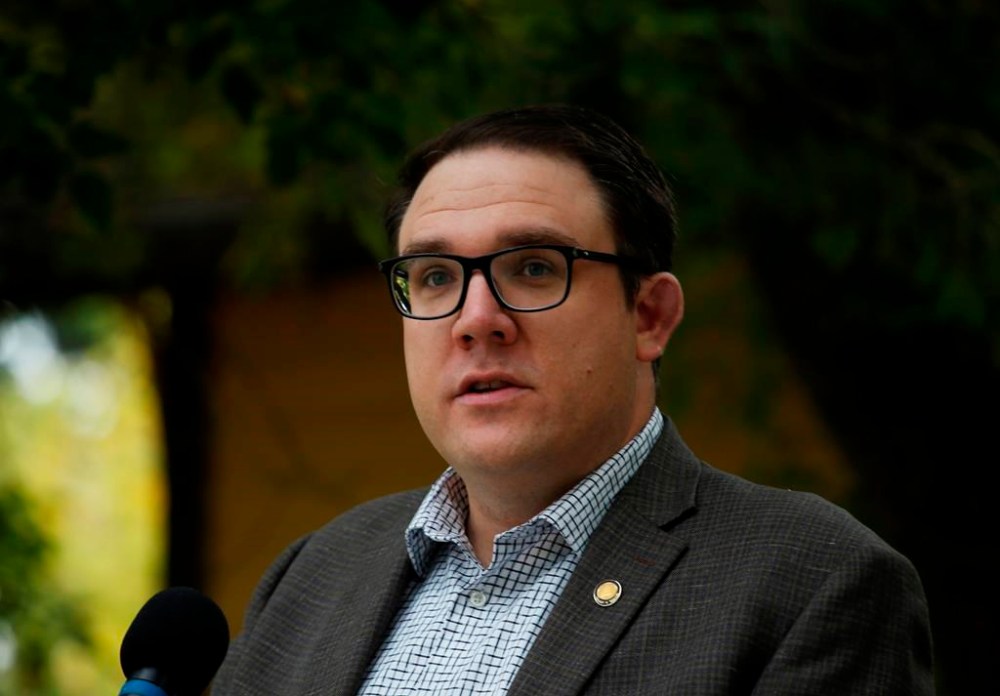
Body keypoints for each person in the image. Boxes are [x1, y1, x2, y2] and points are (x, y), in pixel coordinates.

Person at [211, 105, 934, 695]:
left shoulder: (809, 580)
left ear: (649, 316)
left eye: (532, 267)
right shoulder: (315, 575)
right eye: (434, 276)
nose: (475, 318)